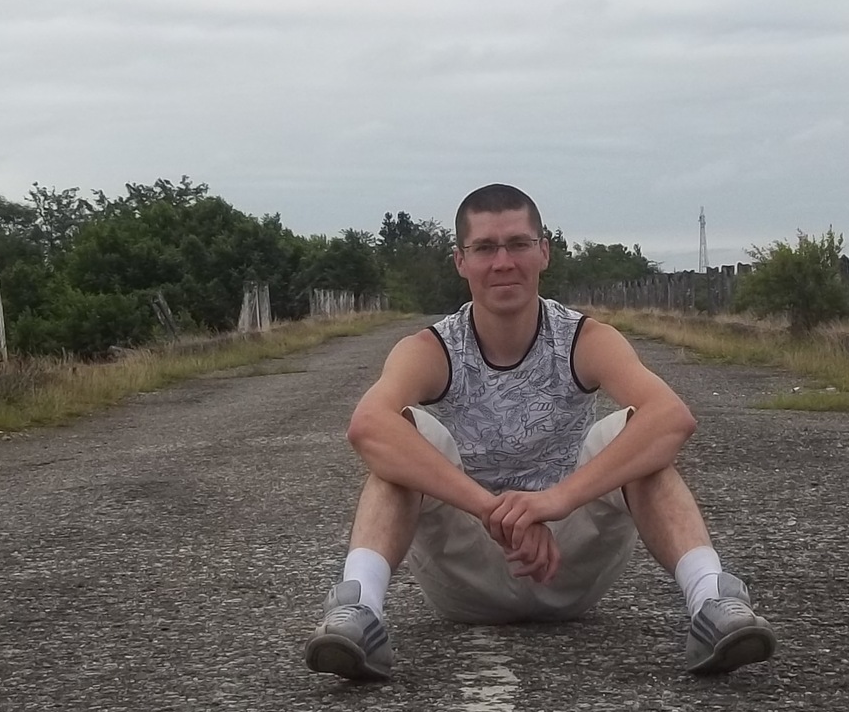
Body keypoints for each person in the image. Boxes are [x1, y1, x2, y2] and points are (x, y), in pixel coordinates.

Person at [306, 183, 778, 683]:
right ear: (461, 261)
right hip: (467, 579)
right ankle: (358, 607)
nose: (503, 262)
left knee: (634, 434)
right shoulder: (431, 349)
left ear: (544, 252)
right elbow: (367, 426)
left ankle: (712, 599)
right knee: (403, 437)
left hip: (567, 566)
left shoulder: (583, 338)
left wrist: (555, 501)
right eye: (485, 248)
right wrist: (495, 511)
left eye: (518, 244)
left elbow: (672, 417)